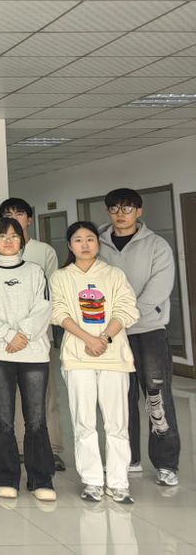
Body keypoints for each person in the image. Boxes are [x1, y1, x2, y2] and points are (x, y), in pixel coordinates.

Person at [52, 221, 140, 503]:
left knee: (117, 422)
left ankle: (118, 482)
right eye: (78, 240)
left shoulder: (114, 274)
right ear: (70, 245)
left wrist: (103, 337)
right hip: (78, 357)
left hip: (113, 356)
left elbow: (127, 309)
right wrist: (88, 339)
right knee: (84, 421)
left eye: (90, 239)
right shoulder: (61, 277)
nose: (85, 245)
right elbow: (59, 312)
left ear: (98, 243)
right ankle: (91, 480)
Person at [98, 188, 180, 487]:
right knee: (121, 398)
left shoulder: (157, 245)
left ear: (139, 211)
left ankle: (166, 463)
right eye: (114, 208)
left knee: (157, 397)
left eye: (128, 208)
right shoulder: (97, 244)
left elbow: (158, 290)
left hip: (148, 331)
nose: (121, 214)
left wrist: (123, 318)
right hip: (111, 335)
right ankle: (128, 458)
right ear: (108, 211)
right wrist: (110, 325)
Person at [0, 197, 65, 471]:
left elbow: (48, 300)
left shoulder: (41, 258)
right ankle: (14, 457)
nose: (8, 239)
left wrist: (25, 334)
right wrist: (9, 335)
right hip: (1, 345)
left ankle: (49, 454)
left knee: (40, 406)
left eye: (19, 214)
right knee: (5, 410)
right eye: (7, 215)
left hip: (36, 343)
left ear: (28, 221)